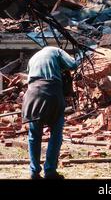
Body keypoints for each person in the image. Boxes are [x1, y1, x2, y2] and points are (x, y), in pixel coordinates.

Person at [22, 46, 81, 180]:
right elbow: (73, 65)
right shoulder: (56, 51)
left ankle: (34, 171)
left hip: (32, 93)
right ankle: (50, 171)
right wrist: (80, 56)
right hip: (52, 92)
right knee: (56, 133)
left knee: (34, 135)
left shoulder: (33, 58)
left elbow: (28, 75)